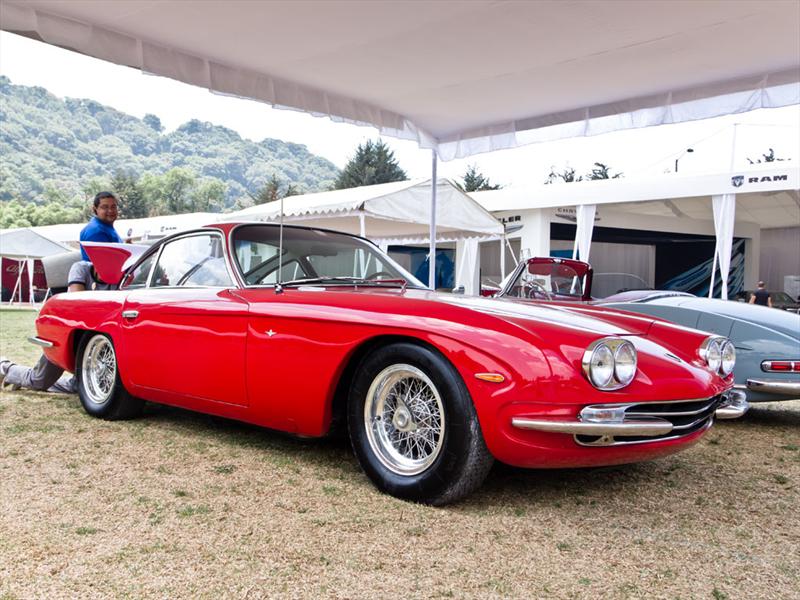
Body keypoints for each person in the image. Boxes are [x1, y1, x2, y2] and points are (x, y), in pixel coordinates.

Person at [1, 191, 124, 393]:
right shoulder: (82, 266)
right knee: (39, 380)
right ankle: (6, 368)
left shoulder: (119, 275)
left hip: (91, 338)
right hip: (68, 331)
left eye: (113, 207)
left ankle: (26, 378)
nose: (110, 211)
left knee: (80, 385)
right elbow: (77, 305)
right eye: (105, 207)